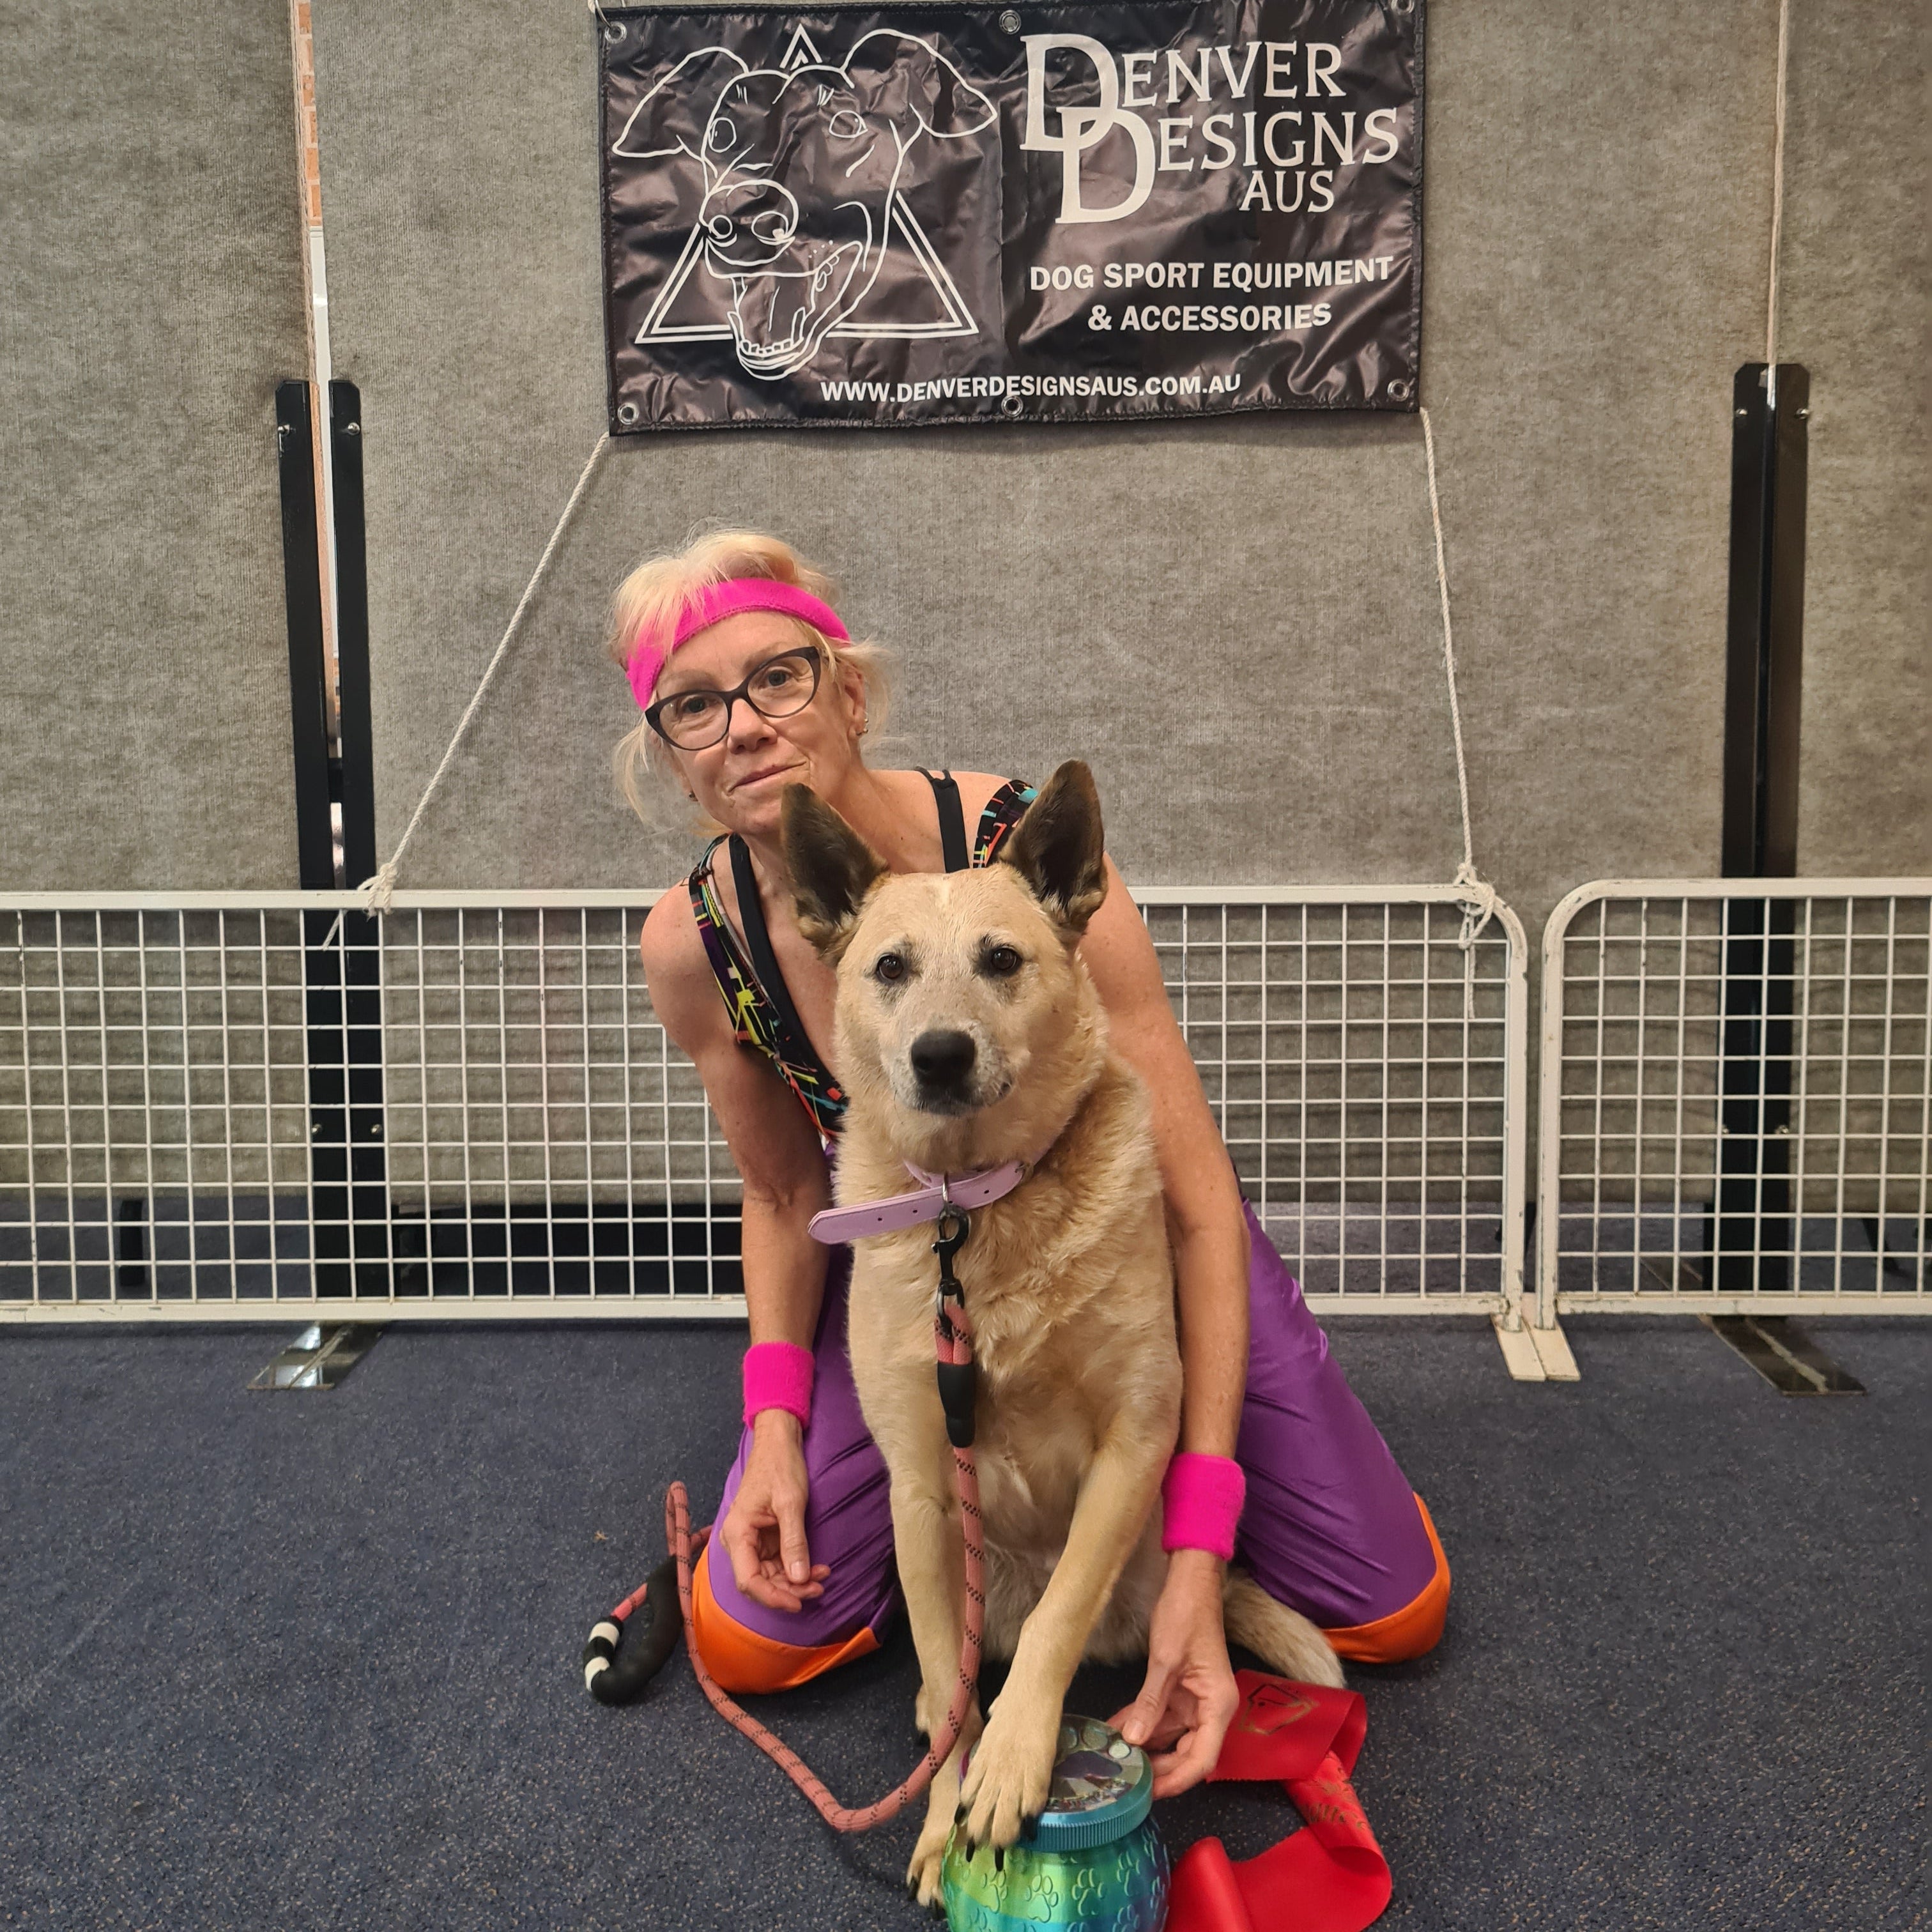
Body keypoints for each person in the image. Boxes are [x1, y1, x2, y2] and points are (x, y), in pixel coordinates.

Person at [613, 530, 1449, 1798]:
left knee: (1394, 1617)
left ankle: (1141, 1524)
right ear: (672, 757)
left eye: (777, 677)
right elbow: (787, 1195)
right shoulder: (696, 942)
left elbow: (1193, 1199)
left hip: (1131, 1235)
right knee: (752, 1638)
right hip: (916, 1253)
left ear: (849, 689)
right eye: (695, 705)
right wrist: (771, 1421)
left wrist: (1198, 1536)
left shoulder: (1019, 848)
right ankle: (964, 1547)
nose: (743, 725)